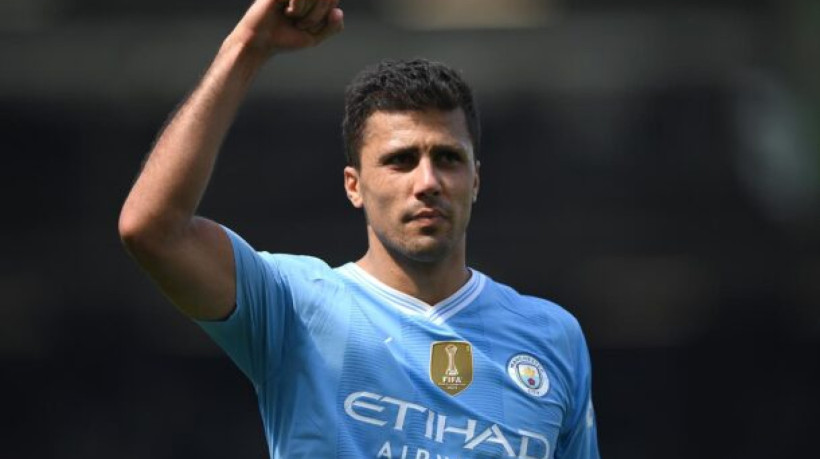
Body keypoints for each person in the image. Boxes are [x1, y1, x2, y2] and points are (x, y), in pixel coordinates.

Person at [119, 0, 600, 457]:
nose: (428, 182)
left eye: (448, 158)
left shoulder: (553, 337)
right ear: (355, 186)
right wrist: (247, 46)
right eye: (400, 161)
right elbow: (153, 229)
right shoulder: (295, 305)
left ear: (475, 180)